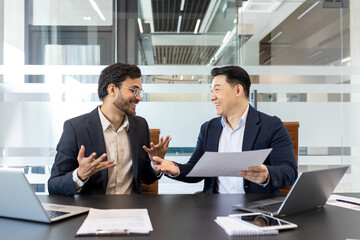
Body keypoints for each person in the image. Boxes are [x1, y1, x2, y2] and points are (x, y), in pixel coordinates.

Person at [153, 66, 298, 194]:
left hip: (256, 210)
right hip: (214, 210)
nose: (212, 97)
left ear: (238, 90)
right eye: (211, 91)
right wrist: (175, 169)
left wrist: (267, 174)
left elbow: (290, 172)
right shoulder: (208, 129)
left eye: (217, 90)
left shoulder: (271, 125)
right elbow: (196, 170)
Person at [48, 63, 170, 195]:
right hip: (93, 210)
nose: (139, 97)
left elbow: (147, 177)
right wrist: (80, 175)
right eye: (134, 90)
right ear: (112, 90)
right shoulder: (76, 128)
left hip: (133, 210)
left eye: (140, 92)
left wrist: (156, 163)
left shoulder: (140, 125)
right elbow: (54, 185)